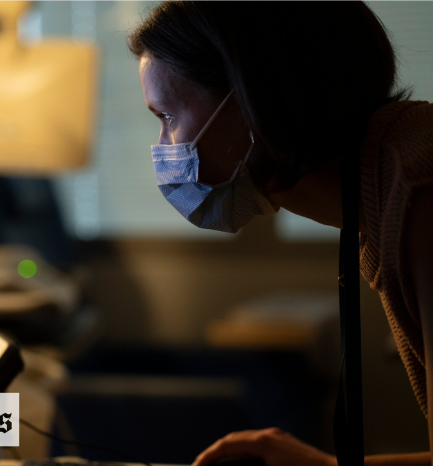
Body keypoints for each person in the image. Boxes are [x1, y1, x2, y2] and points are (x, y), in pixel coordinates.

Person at [128, 2, 433, 466]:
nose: (164, 148)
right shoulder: (384, 191)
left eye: (167, 116)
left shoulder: (420, 193)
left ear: (253, 98)